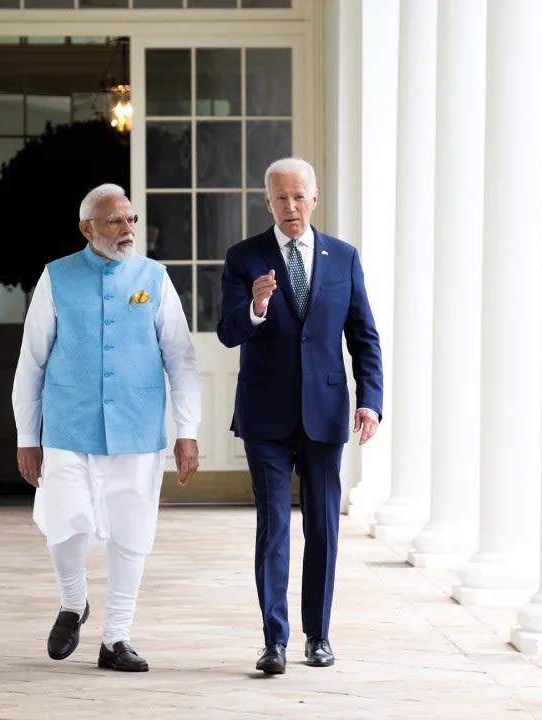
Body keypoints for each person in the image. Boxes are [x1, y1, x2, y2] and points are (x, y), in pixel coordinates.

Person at [12, 183, 201, 672]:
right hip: (68, 426)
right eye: (115, 221)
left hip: (137, 427)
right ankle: (74, 602)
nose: (127, 230)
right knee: (64, 521)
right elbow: (31, 362)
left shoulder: (153, 277)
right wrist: (26, 438)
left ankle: (116, 638)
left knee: (131, 532)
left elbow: (180, 357)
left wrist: (188, 429)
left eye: (131, 219)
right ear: (87, 228)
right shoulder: (56, 277)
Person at [217, 157, 384, 674]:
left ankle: (319, 636)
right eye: (279, 198)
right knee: (273, 528)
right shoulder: (244, 258)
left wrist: (370, 400)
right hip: (265, 415)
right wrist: (256, 308)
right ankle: (274, 641)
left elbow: (364, 337)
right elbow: (227, 331)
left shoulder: (344, 257)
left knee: (323, 529)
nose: (290, 207)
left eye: (298, 196)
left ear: (314, 198)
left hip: (327, 413)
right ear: (267, 202)